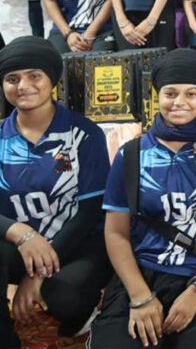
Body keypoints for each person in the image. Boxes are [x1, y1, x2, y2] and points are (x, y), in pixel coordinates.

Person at [97, 49, 196, 349]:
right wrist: (140, 297)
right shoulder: (132, 155)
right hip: (142, 273)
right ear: (158, 95)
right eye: (170, 93)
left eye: (191, 93)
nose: (179, 102)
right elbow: (115, 232)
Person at [0, 37, 111, 347]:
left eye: (34, 75)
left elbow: (90, 212)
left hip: (75, 245)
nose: (23, 85)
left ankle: (92, 313)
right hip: (19, 245)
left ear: (51, 80)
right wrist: (20, 232)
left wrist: (36, 275)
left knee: (64, 298)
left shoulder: (84, 134)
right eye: (12, 78)